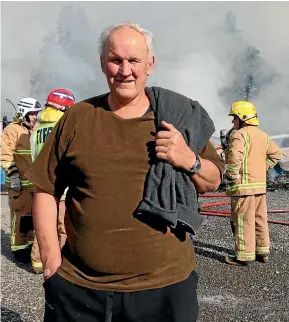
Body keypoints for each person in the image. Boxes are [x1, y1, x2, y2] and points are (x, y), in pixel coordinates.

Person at [26, 22, 223, 322]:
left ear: (150, 64)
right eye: (116, 60)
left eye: (134, 61)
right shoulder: (78, 118)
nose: (125, 70)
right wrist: (51, 263)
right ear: (103, 63)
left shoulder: (177, 116)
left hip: (165, 290)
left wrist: (188, 159)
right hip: (80, 290)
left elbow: (212, 180)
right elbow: (45, 188)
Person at [223, 100, 282, 266]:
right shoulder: (262, 135)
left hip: (243, 188)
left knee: (243, 221)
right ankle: (262, 252)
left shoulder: (239, 135)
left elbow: (235, 156)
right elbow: (276, 155)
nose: (232, 121)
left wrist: (231, 174)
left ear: (243, 117)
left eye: (234, 117)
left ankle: (243, 256)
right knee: (260, 219)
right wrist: (263, 167)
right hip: (259, 188)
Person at [29, 88, 76, 274]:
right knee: (64, 226)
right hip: (62, 186)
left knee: (43, 225)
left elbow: (33, 155)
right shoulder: (63, 125)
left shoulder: (37, 127)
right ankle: (63, 263)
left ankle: (37, 263)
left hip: (41, 184)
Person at [1, 97, 42, 265]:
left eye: (36, 114)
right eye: (31, 114)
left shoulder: (38, 129)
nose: (34, 117)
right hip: (19, 186)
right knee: (20, 218)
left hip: (34, 185)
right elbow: (4, 157)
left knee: (32, 218)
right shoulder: (11, 130)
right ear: (22, 113)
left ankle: (30, 245)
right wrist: (14, 175)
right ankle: (18, 250)